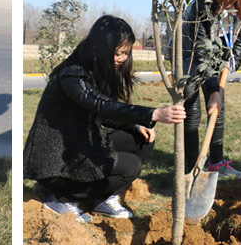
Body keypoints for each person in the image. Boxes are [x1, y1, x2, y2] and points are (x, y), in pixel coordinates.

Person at [24, 15, 186, 223]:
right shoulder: (73, 74)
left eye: (125, 53)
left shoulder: (97, 70)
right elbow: (98, 104)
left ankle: (102, 199)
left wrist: (137, 124)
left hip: (77, 145)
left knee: (142, 139)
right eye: (117, 53)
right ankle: (63, 199)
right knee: (131, 166)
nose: (122, 59)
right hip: (58, 160)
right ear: (101, 49)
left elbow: (101, 114)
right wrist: (151, 113)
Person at [179, 0, 241, 178]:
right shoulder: (200, 5)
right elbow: (201, 51)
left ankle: (216, 163)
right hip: (190, 57)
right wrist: (213, 91)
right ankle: (191, 168)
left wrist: (230, 65)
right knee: (192, 112)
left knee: (218, 110)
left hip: (218, 59)